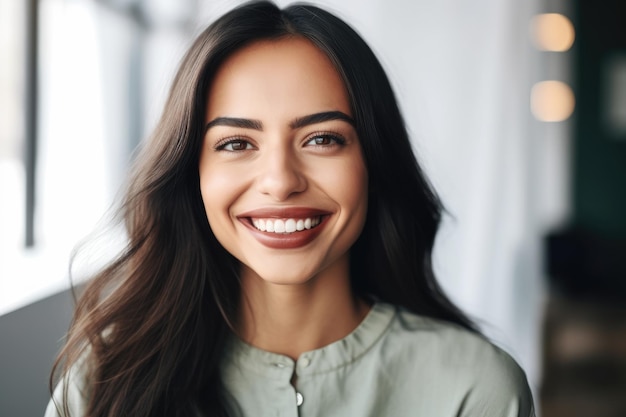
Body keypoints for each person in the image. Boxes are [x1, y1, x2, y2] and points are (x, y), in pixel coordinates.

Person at [45, 1, 535, 416]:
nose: (280, 182)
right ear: (191, 173)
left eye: (322, 139)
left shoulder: (476, 389)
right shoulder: (103, 383)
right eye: (237, 143)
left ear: (374, 160)